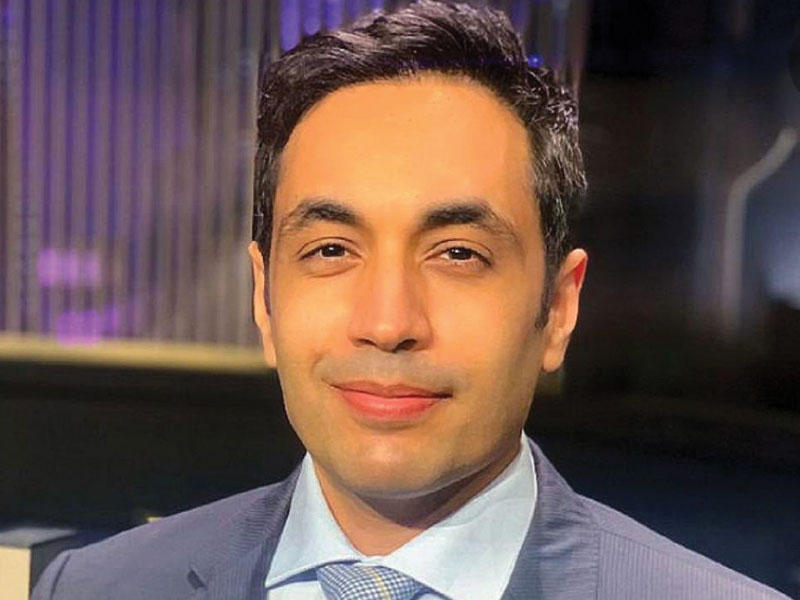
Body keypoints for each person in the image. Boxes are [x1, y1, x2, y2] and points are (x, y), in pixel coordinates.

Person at [32, 1, 789, 599]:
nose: (388, 323)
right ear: (263, 298)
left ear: (558, 308)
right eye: (331, 251)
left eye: (458, 254)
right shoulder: (97, 587)